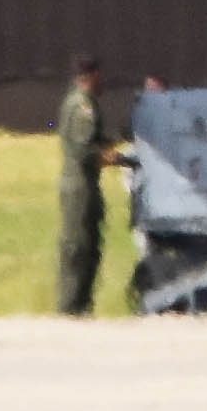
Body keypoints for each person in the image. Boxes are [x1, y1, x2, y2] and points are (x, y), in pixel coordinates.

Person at [55, 55, 128, 317]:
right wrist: (117, 158)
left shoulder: (85, 104)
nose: (104, 82)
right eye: (100, 76)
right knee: (78, 247)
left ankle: (82, 306)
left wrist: (117, 141)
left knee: (90, 244)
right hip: (79, 187)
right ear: (91, 76)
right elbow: (84, 150)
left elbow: (95, 140)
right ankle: (70, 308)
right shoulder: (81, 105)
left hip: (86, 185)